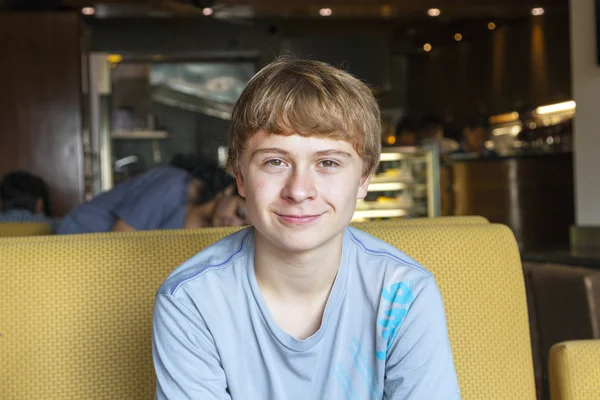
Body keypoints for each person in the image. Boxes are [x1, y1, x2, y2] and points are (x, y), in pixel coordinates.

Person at [152, 58, 460, 399]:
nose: (299, 190)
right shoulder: (191, 300)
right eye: (275, 162)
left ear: (363, 178)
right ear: (240, 176)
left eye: (327, 163)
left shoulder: (404, 294)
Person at [57, 158, 248, 234]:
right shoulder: (174, 185)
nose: (233, 223)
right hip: (78, 237)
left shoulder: (212, 231)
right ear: (230, 190)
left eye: (241, 226)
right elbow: (120, 237)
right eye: (239, 212)